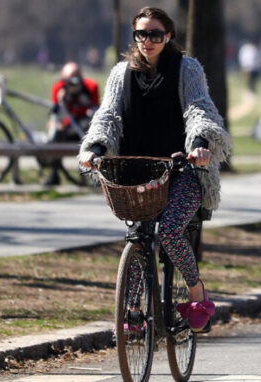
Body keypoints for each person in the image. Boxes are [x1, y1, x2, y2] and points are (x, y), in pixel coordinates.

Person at [79, 7, 231, 332]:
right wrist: (94, 148)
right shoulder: (121, 73)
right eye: (141, 34)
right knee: (138, 235)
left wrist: (200, 143)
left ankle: (196, 294)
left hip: (181, 169)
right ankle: (132, 311)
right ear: (134, 36)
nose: (148, 41)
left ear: (169, 36)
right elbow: (108, 115)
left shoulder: (185, 69)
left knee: (172, 231)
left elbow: (198, 107)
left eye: (155, 34)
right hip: (137, 173)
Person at [43, 62, 99, 185]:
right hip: (67, 126)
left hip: (84, 125)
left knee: (89, 130)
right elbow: (55, 115)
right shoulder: (59, 88)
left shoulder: (91, 87)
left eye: (76, 79)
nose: (74, 84)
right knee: (57, 134)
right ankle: (54, 173)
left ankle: (89, 172)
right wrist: (60, 102)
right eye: (70, 80)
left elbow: (96, 113)